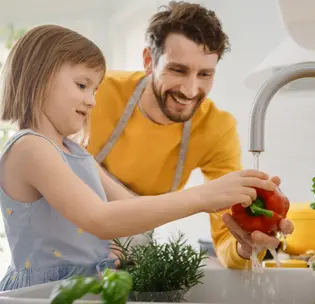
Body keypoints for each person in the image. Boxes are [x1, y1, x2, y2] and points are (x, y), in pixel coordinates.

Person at [0, 24, 278, 291]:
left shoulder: (77, 152)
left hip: (87, 288)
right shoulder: (31, 148)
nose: (93, 100)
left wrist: (239, 204)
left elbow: (133, 209)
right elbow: (101, 219)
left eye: (94, 90)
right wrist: (203, 197)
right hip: (41, 294)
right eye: (82, 85)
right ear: (39, 77)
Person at [87, 1, 294, 270]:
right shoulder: (98, 93)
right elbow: (63, 165)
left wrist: (245, 248)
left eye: (204, 74)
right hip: (62, 247)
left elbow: (225, 237)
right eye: (178, 70)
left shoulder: (216, 129)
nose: (190, 89)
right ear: (150, 61)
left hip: (129, 260)